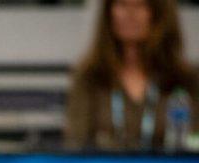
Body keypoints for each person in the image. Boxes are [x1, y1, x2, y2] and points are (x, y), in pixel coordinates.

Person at [65, 0, 198, 151]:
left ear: (160, 14)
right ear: (109, 12)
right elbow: (74, 144)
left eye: (141, 6)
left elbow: (194, 141)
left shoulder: (186, 79)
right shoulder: (89, 75)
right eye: (122, 5)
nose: (130, 14)